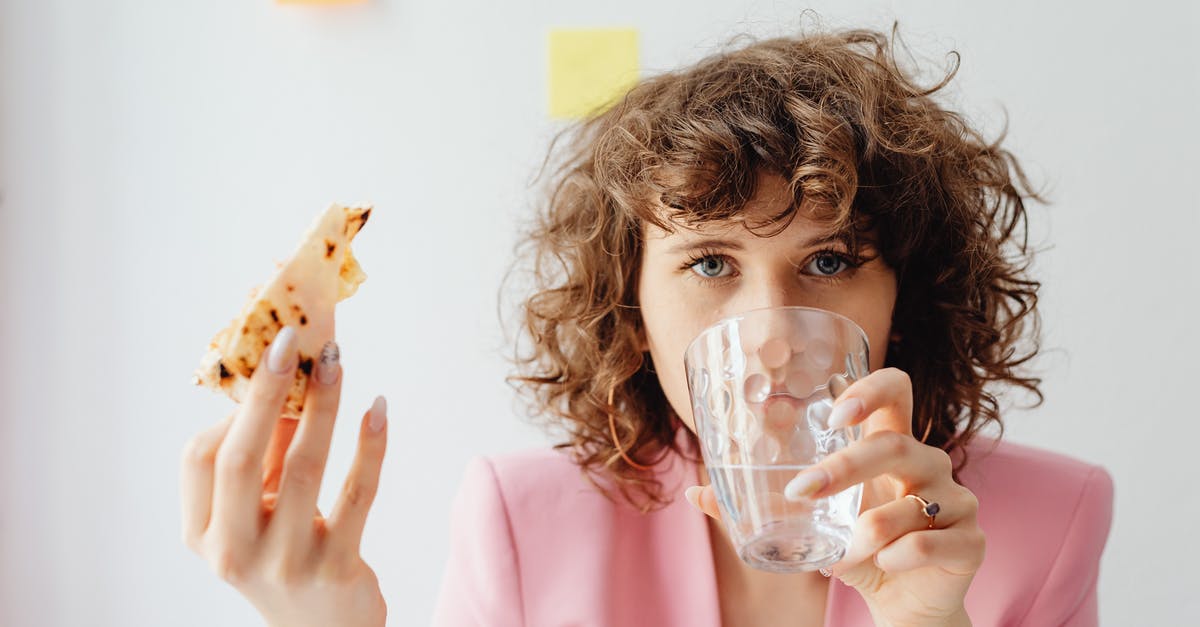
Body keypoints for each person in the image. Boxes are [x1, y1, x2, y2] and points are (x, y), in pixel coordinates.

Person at [179, 26, 1113, 627]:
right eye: (710, 264)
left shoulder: (1046, 524)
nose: (772, 334)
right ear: (633, 303)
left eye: (828, 261)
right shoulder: (523, 522)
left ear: (907, 294)